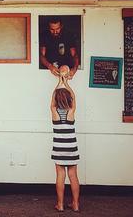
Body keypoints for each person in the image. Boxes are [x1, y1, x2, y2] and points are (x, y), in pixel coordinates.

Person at [50, 74, 80, 212]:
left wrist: (58, 83)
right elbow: (73, 97)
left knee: (60, 176)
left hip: (59, 149)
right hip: (71, 148)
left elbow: (52, 99)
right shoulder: (71, 112)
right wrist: (66, 84)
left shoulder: (54, 111)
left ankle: (60, 204)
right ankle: (75, 204)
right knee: (73, 176)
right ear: (69, 99)